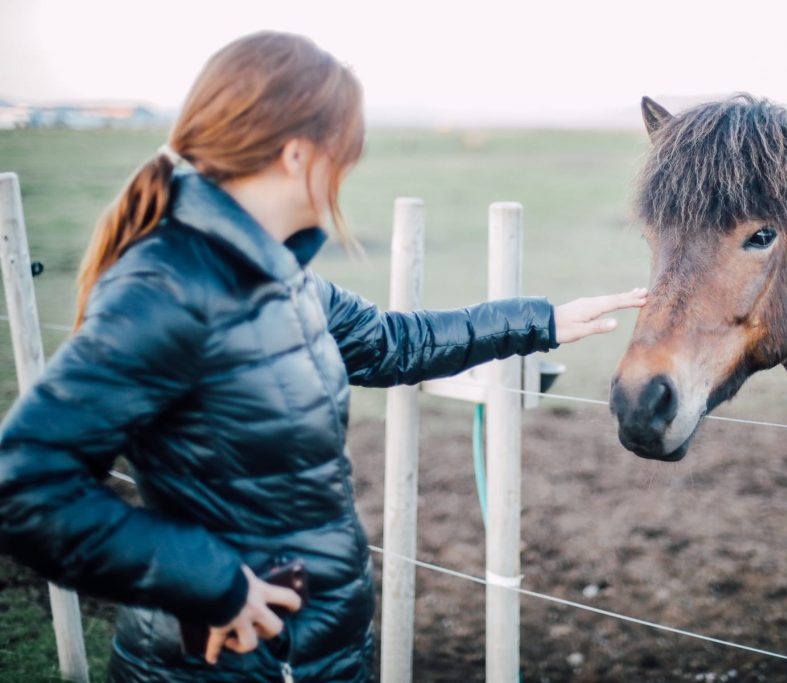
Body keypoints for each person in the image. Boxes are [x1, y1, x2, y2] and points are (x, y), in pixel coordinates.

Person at [0, 31, 646, 682]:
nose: (347, 171)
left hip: (315, 656)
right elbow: (26, 485)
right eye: (346, 151)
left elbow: (396, 343)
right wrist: (214, 582)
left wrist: (543, 321)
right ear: (298, 152)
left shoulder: (288, 282)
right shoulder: (167, 289)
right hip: (224, 664)